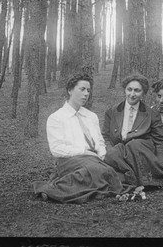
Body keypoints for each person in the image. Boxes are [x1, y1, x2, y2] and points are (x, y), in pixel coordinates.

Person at [33, 73, 128, 203]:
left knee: (116, 173)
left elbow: (99, 141)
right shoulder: (56, 118)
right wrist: (83, 151)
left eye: (88, 90)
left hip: (93, 158)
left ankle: (73, 184)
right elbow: (56, 149)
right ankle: (51, 189)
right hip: (69, 160)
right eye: (82, 89)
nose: (86, 94)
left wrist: (101, 154)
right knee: (99, 171)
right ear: (70, 90)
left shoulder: (91, 116)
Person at [102, 73, 163, 187]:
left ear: (143, 93)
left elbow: (159, 141)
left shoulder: (151, 113)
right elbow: (105, 136)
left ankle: (138, 178)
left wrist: (161, 162)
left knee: (134, 144)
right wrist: (110, 153)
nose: (132, 94)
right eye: (129, 89)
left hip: (140, 156)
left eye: (137, 90)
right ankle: (130, 176)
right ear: (124, 90)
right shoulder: (112, 111)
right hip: (119, 157)